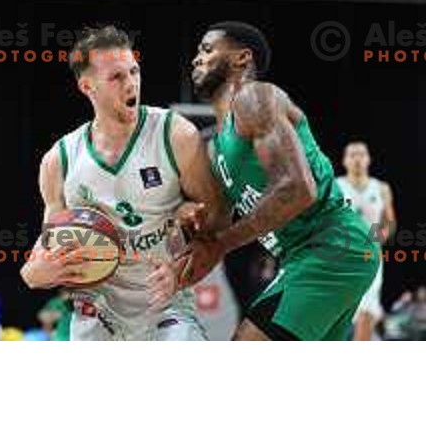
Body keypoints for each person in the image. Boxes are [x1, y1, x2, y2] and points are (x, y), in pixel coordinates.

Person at [162, 21, 380, 340]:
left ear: (242, 58)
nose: (197, 58)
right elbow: (215, 225)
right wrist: (183, 229)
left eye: (207, 49)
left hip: (331, 245)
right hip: (304, 256)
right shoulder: (216, 147)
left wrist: (219, 245)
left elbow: (298, 189)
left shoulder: (254, 99)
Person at [20, 25, 227, 340]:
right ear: (87, 86)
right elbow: (48, 248)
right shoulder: (59, 160)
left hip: (165, 307)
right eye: (116, 77)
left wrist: (188, 252)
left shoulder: (176, 135)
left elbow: (217, 220)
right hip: (94, 313)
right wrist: (34, 272)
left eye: (134, 71)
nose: (131, 83)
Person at [337, 142, 397, 340]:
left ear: (368, 159)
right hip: (340, 257)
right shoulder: (336, 186)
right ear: (345, 161)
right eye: (352, 154)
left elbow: (390, 221)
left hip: (370, 255)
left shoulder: (381, 188)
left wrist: (378, 237)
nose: (357, 158)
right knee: (338, 314)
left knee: (366, 312)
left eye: (361, 154)